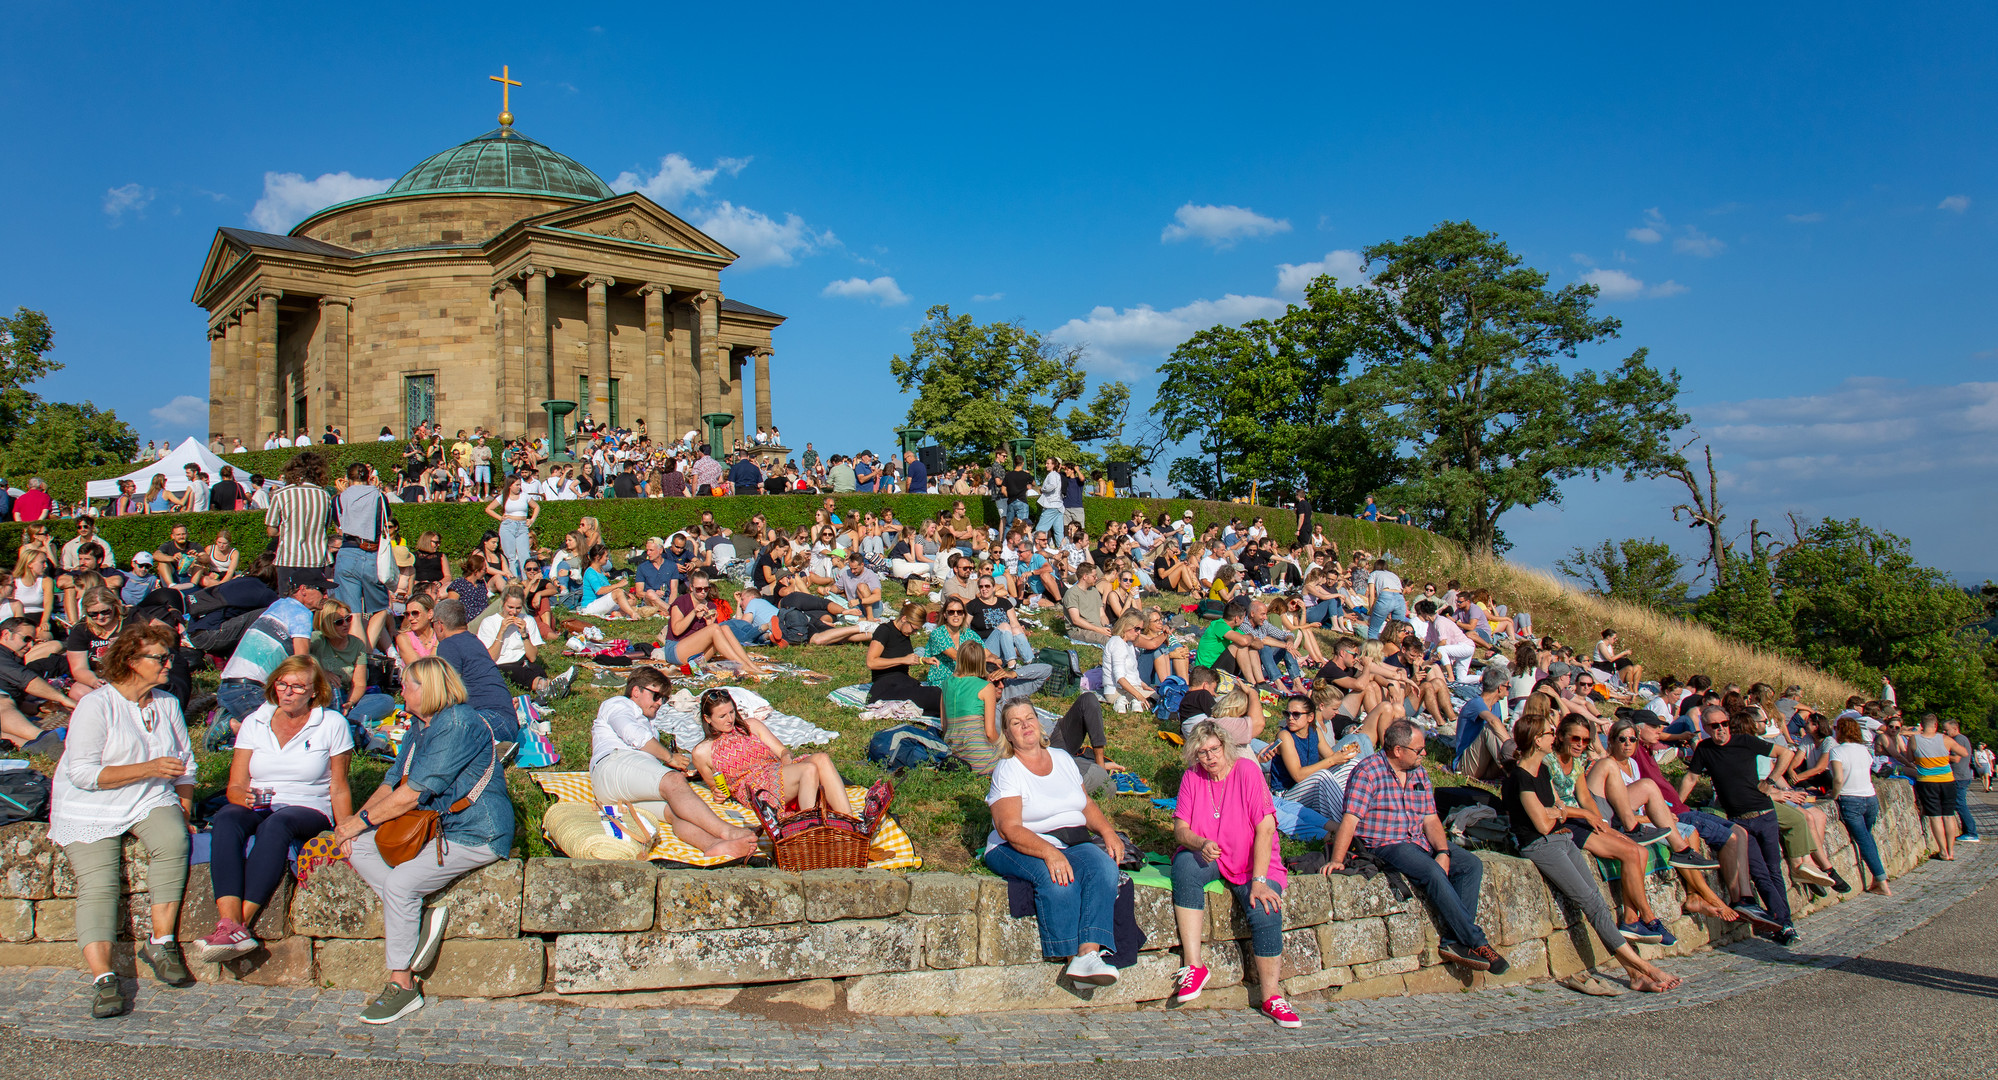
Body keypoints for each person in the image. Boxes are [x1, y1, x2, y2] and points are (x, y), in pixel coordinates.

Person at [334, 656, 512, 1025]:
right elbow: (391, 783)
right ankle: (414, 918)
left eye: (407, 685)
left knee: (401, 884)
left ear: (427, 688)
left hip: (476, 830)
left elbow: (414, 793)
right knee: (359, 846)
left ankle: (403, 986)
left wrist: (359, 821)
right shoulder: (420, 725)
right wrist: (353, 825)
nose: (401, 690)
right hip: (435, 826)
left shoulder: (458, 723)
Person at [47, 623, 196, 1018]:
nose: (169, 664)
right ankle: (103, 978)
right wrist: (148, 767)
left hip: (148, 797)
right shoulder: (97, 706)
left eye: (169, 656)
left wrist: (184, 807)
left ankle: (161, 942)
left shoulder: (166, 703)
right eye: (160, 658)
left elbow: (185, 765)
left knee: (175, 841)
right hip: (90, 803)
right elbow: (82, 774)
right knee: (98, 884)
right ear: (131, 662)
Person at [1500, 714, 1682, 993]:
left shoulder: (1544, 771)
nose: (1554, 737)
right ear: (1538, 741)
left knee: (1596, 899)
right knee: (1590, 902)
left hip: (1561, 839)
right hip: (1540, 845)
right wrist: (1557, 813)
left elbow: (1559, 808)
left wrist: (1558, 812)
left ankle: (1634, 974)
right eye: (1550, 733)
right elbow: (1543, 823)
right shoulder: (1521, 778)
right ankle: (1645, 968)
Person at [196, 655, 355, 961]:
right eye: (282, 684)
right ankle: (227, 921)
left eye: (297, 686)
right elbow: (235, 786)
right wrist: (243, 799)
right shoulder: (256, 720)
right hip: (258, 801)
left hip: (306, 805)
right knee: (227, 817)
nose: (287, 691)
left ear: (314, 691)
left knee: (277, 825)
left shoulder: (331, 723)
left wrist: (345, 827)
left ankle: (239, 923)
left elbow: (339, 785)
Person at [1321, 720, 1509, 973]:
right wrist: (1337, 858)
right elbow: (1350, 819)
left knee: (1470, 864)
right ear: (1398, 750)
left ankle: (1454, 941)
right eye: (1418, 750)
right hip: (1385, 843)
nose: (1424, 754)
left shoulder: (1418, 772)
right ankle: (1477, 941)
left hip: (1417, 840)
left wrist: (1443, 852)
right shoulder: (1368, 771)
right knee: (1431, 872)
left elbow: (1430, 818)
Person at [980, 699, 1127, 987]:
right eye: (1015, 722)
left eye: (1029, 718)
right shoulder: (1008, 769)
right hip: (1015, 845)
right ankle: (1071, 956)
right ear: (1008, 734)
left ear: (1040, 722)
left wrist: (1108, 831)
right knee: (1059, 878)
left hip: (1070, 839)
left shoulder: (1061, 758)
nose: (1025, 726)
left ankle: (1089, 955)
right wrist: (1049, 853)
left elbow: (1084, 803)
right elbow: (1009, 828)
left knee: (1104, 868)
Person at [1168, 720, 1300, 1027]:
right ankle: (1194, 965)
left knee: (1265, 909)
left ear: (1225, 747)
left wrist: (1260, 880)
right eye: (1203, 753)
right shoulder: (1192, 777)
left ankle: (1271, 996)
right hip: (1212, 853)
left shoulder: (1246, 771)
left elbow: (1266, 827)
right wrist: (1200, 842)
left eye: (1215, 749)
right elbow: (1180, 829)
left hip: (1253, 860)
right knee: (1185, 865)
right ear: (1194, 755)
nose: (1211, 757)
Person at [589, 668, 759, 859]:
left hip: (618, 789)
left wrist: (668, 763)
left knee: (676, 811)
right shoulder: (619, 704)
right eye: (656, 696)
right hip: (613, 766)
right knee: (674, 781)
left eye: (664, 698)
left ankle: (714, 844)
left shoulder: (647, 720)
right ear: (636, 691)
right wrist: (669, 758)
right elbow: (633, 735)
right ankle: (728, 831)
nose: (660, 702)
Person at [1678, 707, 1799, 943]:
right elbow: (1691, 778)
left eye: (1724, 723)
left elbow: (1785, 753)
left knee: (1774, 871)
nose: (1721, 728)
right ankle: (1783, 925)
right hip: (1738, 821)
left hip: (1765, 815)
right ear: (1705, 727)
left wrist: (1771, 781)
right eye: (1714, 725)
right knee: (1760, 873)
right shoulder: (1705, 749)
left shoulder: (1746, 741)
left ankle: (1785, 923)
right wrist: (1674, 807)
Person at [690, 687, 863, 818]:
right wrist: (717, 792)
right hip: (755, 786)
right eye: (722, 716)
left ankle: (850, 823)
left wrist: (786, 760)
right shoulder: (702, 752)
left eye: (732, 712)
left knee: (822, 759)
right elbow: (715, 787)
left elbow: (783, 751)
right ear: (707, 719)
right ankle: (806, 826)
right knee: (808, 769)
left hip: (777, 771)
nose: (730, 719)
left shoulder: (751, 726)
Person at [211, 569, 330, 750]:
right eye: (322, 590)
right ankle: (231, 725)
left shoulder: (278, 606)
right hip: (249, 689)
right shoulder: (301, 613)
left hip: (229, 686)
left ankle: (232, 721)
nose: (326, 595)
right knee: (282, 732)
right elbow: (302, 663)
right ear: (304, 590)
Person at [431, 598, 521, 742]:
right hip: (509, 722)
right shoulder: (474, 641)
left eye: (433, 624)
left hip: (487, 721)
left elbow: (448, 694)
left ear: (440, 625)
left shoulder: (448, 644)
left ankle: (488, 752)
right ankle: (493, 750)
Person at [657, 570, 768, 676]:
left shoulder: (710, 605)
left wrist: (709, 623)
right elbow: (676, 631)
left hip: (697, 656)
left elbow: (712, 638)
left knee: (724, 628)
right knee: (715, 628)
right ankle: (742, 665)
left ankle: (750, 664)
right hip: (676, 650)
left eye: (706, 589)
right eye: (699, 589)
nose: (703, 592)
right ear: (691, 588)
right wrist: (693, 613)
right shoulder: (681, 602)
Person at [1827, 715, 1891, 896]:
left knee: (1864, 840)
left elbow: (1838, 778)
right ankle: (1876, 879)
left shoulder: (1837, 751)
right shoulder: (1864, 750)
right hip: (1870, 797)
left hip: (1850, 799)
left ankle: (1882, 881)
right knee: (1867, 838)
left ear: (1840, 731)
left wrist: (1834, 794)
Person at [265, 452, 333, 597]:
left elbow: (271, 530)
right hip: (315, 558)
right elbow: (325, 527)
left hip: (289, 557)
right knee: (313, 603)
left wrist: (287, 529)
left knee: (287, 601)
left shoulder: (281, 494)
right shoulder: (324, 495)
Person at [333, 462, 391, 619]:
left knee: (352, 614)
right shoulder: (379, 496)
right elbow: (386, 519)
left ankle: (360, 643)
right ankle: (369, 643)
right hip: (372, 553)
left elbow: (340, 525)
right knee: (380, 609)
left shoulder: (339, 499)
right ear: (369, 477)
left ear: (347, 478)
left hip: (348, 552)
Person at [1908, 712, 1968, 861]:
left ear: (1921, 725)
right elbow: (1964, 753)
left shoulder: (1914, 739)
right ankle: (1951, 851)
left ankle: (1942, 851)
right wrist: (1945, 754)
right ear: (1935, 725)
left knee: (1935, 817)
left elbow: (1909, 758)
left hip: (1927, 781)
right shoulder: (1945, 739)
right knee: (1948, 816)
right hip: (1947, 780)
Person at [865, 601, 944, 716]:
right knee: (933, 695)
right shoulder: (884, 631)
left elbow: (903, 657)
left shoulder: (904, 633)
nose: (914, 632)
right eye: (914, 629)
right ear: (904, 619)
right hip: (886, 685)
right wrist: (902, 660)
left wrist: (923, 660)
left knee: (938, 693)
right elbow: (871, 662)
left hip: (904, 682)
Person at [941, 640, 1007, 774]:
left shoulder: (946, 683)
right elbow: (990, 733)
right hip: (981, 760)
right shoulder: (986, 687)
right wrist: (1005, 749)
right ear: (980, 661)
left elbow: (944, 726)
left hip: (955, 757)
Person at [484, 474, 539, 579]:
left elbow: (536, 507)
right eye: (517, 485)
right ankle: (513, 580)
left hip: (522, 526)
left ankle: (526, 580)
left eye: (520, 485)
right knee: (510, 556)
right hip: (508, 526)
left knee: (524, 555)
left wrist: (532, 519)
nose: (519, 487)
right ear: (510, 485)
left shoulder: (524, 496)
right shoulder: (503, 497)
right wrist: (500, 518)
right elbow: (489, 509)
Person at [577, 543, 640, 620]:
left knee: (631, 601)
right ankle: (633, 614)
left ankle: (618, 613)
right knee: (618, 593)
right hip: (590, 605)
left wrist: (626, 593)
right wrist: (618, 585)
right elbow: (599, 591)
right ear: (597, 557)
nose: (607, 559)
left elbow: (608, 587)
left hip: (601, 603)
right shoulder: (590, 572)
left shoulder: (600, 571)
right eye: (606, 556)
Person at [1943, 718, 1981, 844]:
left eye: (1946, 730)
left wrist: (1938, 755)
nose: (1944, 732)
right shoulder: (1961, 739)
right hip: (1961, 775)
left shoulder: (1959, 739)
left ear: (1955, 728)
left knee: (1960, 804)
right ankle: (1967, 831)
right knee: (1958, 804)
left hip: (1959, 776)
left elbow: (1956, 758)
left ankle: (1971, 832)